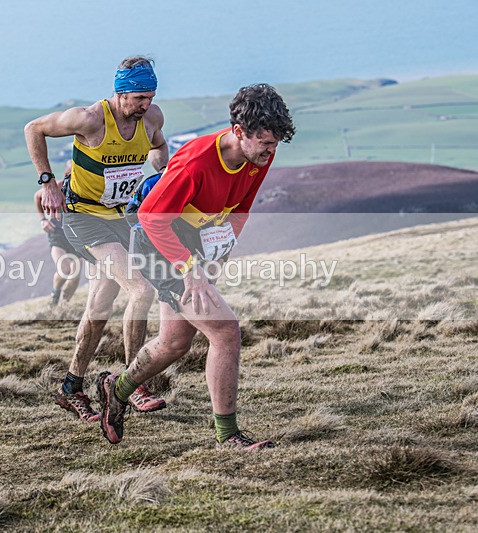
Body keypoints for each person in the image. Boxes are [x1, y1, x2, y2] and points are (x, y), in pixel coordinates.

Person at [96, 84, 296, 449]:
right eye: (265, 142)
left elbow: (240, 209)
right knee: (226, 331)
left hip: (193, 243)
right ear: (239, 132)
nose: (271, 151)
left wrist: (220, 253)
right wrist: (191, 269)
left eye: (276, 143)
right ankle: (228, 436)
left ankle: (116, 389)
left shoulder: (257, 158)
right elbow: (152, 218)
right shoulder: (196, 163)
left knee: (174, 342)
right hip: (158, 244)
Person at [24, 55, 170, 422]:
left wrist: (164, 174)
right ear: (120, 93)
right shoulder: (89, 119)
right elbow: (33, 128)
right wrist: (48, 182)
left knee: (100, 306)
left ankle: (71, 387)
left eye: (150, 96)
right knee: (141, 289)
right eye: (138, 98)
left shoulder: (151, 119)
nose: (145, 105)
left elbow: (159, 146)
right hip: (83, 217)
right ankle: (132, 383)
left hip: (120, 217)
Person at [34, 160, 83, 305]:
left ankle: (63, 307)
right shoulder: (59, 186)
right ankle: (54, 297)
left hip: (76, 234)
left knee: (75, 276)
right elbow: (37, 196)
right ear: (67, 174)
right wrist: (42, 219)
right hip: (58, 232)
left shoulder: (86, 187)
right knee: (65, 269)